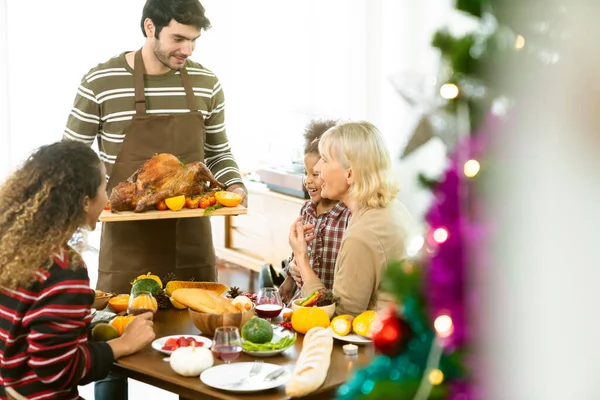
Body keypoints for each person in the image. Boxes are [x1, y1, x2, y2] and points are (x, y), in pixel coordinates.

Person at [63, 0, 248, 295]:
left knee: (194, 338)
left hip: (192, 246)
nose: (187, 50)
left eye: (193, 40)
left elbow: (218, 152)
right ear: (150, 27)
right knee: (123, 335)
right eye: (178, 39)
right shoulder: (101, 82)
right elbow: (69, 161)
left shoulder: (206, 83)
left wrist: (235, 186)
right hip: (127, 249)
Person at [0, 141, 156, 400]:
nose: (107, 198)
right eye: (104, 188)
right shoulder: (64, 271)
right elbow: (56, 371)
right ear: (85, 202)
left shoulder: (13, 248)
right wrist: (123, 344)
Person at [288, 121, 415, 316]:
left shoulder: (363, 234)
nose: (319, 168)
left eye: (325, 159)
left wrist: (302, 259)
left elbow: (339, 317)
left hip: (375, 343)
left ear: (349, 174)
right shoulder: (391, 207)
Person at [278, 119, 351, 304]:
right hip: (304, 299)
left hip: (331, 302)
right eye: (306, 173)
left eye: (315, 174)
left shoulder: (348, 215)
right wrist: (288, 281)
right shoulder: (307, 209)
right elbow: (298, 253)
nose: (308, 181)